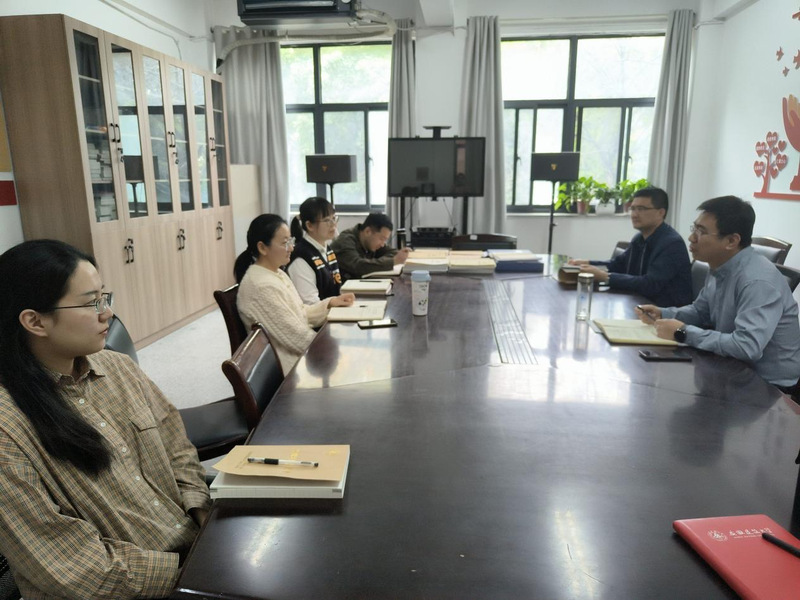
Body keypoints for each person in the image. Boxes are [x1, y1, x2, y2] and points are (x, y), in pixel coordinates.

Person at [0, 239, 211, 599]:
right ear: (35, 321)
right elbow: (72, 567)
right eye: (90, 303)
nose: (108, 314)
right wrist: (191, 571)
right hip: (138, 587)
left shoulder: (118, 367)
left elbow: (177, 447)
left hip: (196, 550)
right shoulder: (9, 427)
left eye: (104, 297)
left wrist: (201, 512)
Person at [636, 195, 800, 390]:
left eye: (701, 231)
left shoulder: (757, 281)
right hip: (731, 367)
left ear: (731, 241)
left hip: (768, 387)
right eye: (694, 228)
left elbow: (747, 346)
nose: (691, 238)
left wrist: (682, 332)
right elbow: (701, 311)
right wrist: (663, 314)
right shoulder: (720, 265)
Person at [234, 214, 354, 375]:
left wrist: (331, 303)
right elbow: (296, 337)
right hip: (290, 370)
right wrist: (337, 345)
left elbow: (300, 313)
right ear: (262, 248)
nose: (291, 247)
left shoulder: (276, 273)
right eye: (285, 243)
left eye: (291, 240)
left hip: (301, 359)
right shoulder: (260, 286)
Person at [569, 187, 693, 306]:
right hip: (639, 304)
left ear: (661, 213)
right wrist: (587, 263)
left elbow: (650, 284)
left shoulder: (671, 244)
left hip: (666, 314)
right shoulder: (639, 238)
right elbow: (618, 265)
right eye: (633, 209)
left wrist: (605, 277)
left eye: (641, 209)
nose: (634, 214)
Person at [287, 197, 342, 304]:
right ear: (309, 225)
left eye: (334, 218)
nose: (333, 224)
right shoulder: (301, 257)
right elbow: (310, 303)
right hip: (319, 313)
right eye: (327, 220)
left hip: (335, 309)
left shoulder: (327, 249)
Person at [330, 212, 411, 280]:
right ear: (368, 231)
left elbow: (391, 252)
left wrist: (401, 256)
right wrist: (393, 261)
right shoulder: (345, 241)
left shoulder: (369, 242)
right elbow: (359, 266)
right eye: (382, 239)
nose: (382, 244)